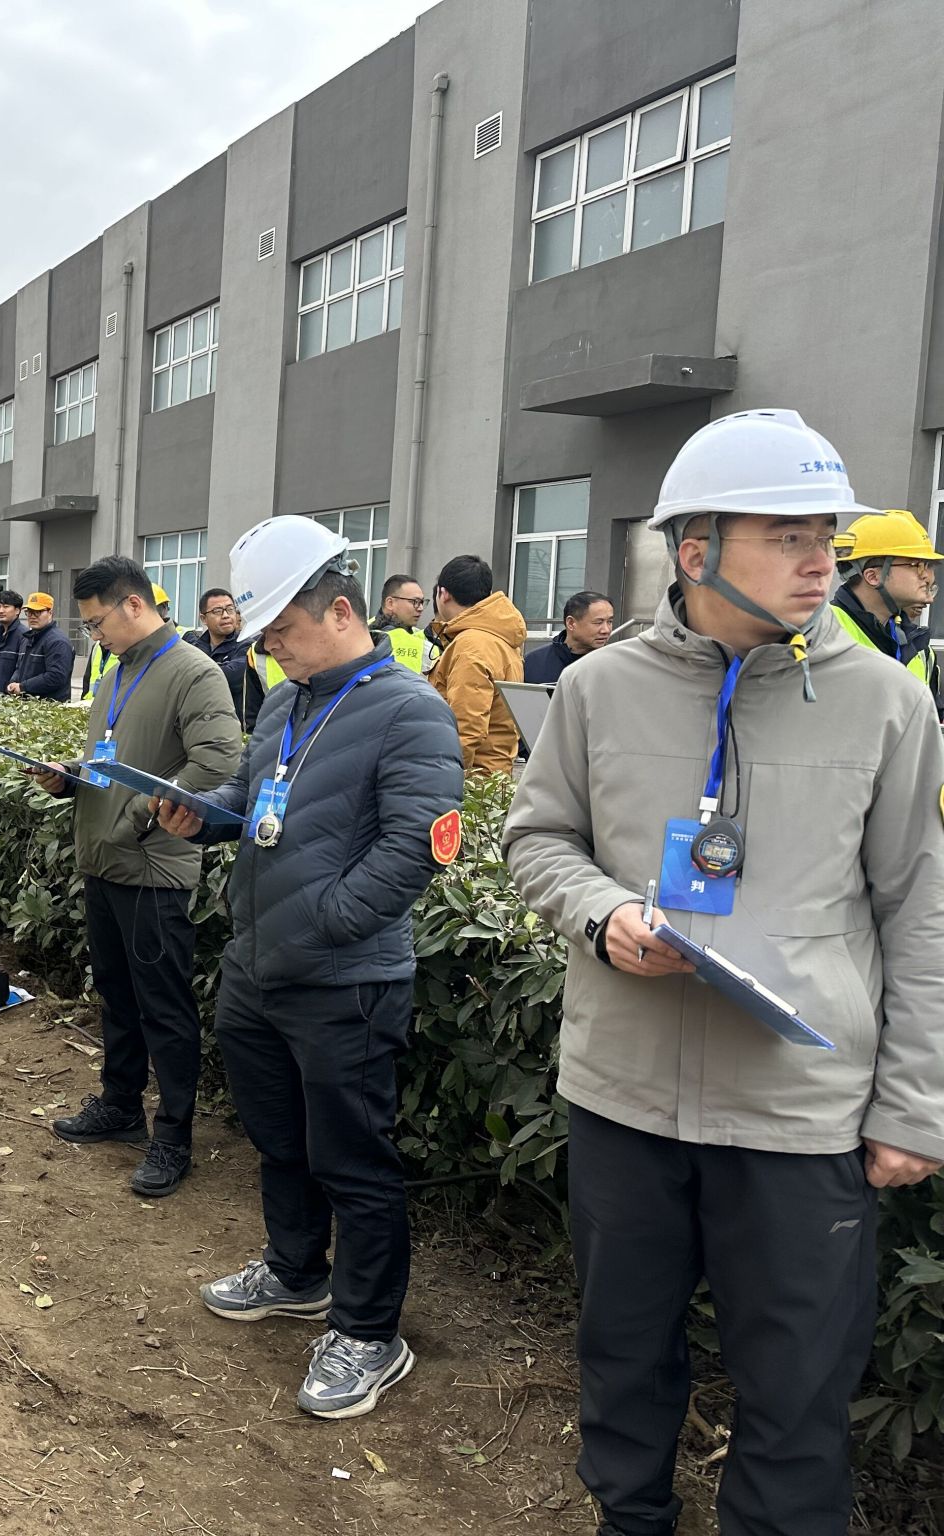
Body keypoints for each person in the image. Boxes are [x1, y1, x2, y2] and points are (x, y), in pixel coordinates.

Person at [504, 409, 944, 1536]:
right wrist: (603, 912)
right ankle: (629, 1519)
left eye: (827, 538)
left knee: (797, 1393)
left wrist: (912, 1105)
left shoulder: (888, 702)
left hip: (799, 1113)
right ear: (694, 549)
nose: (821, 561)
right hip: (625, 1096)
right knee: (621, 1356)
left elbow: (920, 909)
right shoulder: (599, 688)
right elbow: (537, 839)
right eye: (787, 536)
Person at [158, 516, 461, 1422]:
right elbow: (255, 797)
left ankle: (368, 1331)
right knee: (280, 1139)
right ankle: (296, 1272)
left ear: (339, 611)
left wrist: (326, 924)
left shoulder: (410, 710)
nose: (270, 650)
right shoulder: (288, 702)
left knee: (353, 1161)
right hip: (259, 966)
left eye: (281, 632)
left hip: (345, 981)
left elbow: (414, 849)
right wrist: (200, 813)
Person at [29, 558, 241, 1196]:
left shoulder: (193, 672)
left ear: (133, 605)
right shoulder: (118, 672)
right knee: (117, 997)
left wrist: (147, 811)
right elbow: (112, 761)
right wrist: (70, 778)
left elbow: (218, 760)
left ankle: (173, 1135)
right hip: (104, 860)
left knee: (163, 1009)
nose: (95, 636)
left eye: (97, 623)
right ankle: (120, 1105)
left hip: (153, 868)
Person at [829, 508, 942, 716]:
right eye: (916, 565)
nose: (927, 576)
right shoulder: (820, 635)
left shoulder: (921, 651)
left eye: (928, 565)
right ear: (873, 576)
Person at [427, 554, 526, 775]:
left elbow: (465, 729)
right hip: (493, 774)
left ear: (443, 594)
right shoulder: (499, 637)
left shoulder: (471, 645)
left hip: (472, 780)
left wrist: (439, 778)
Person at [523, 590, 614, 685]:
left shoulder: (617, 664)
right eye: (598, 622)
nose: (606, 630)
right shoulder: (533, 663)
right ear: (571, 623)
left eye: (610, 622)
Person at [6, 592, 74, 700]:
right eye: (29, 612)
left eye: (37, 612)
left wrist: (23, 687)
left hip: (49, 706)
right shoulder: (27, 638)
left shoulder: (58, 641)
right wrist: (13, 682)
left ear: (50, 613)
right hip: (28, 704)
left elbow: (56, 677)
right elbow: (20, 668)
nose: (32, 616)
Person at [370, 574, 436, 676]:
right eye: (414, 602)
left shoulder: (426, 639)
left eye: (422, 602)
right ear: (390, 603)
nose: (420, 608)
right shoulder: (362, 633)